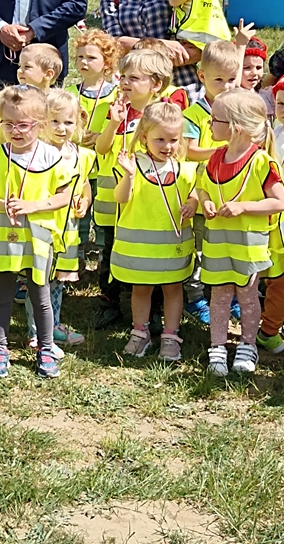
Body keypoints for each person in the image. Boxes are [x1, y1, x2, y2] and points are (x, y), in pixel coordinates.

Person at [0, 86, 73, 380]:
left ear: (41, 124)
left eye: (23, 125)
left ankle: (45, 348)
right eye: (8, 124)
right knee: (3, 295)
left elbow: (64, 196)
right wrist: (1, 204)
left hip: (38, 238)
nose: (15, 131)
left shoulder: (52, 157)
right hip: (3, 236)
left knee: (40, 296)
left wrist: (32, 206)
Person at [198, 89, 284, 376]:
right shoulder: (215, 157)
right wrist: (205, 201)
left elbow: (279, 202)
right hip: (218, 243)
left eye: (215, 119)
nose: (209, 124)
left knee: (248, 297)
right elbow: (202, 188)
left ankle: (248, 345)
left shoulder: (261, 162)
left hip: (248, 246)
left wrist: (243, 207)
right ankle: (217, 347)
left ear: (236, 127)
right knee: (219, 296)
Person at [112, 102, 198, 362]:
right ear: (144, 137)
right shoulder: (133, 164)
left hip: (172, 247)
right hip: (139, 249)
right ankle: (140, 332)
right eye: (159, 139)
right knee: (141, 289)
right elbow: (121, 198)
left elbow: (193, 193)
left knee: (173, 288)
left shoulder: (184, 168)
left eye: (173, 139)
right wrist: (128, 176)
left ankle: (171, 335)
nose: (167, 146)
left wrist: (192, 204)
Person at [93, 49, 173, 329]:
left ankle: (152, 311)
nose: (125, 82)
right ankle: (109, 302)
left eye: (134, 78)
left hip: (146, 200)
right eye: (124, 76)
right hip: (111, 196)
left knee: (149, 253)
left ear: (156, 84)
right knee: (110, 250)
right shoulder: (112, 109)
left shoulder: (162, 114)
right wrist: (114, 122)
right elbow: (101, 148)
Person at [25, 89, 90, 352]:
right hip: (43, 228)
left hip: (68, 231)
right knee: (39, 280)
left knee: (58, 281)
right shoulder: (36, 154)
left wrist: (85, 200)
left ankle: (54, 326)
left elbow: (84, 183)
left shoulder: (81, 154)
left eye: (68, 122)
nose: (61, 128)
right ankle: (36, 332)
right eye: (54, 121)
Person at [182, 40, 242, 325]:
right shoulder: (193, 114)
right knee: (199, 248)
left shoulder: (239, 112)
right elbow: (189, 150)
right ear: (201, 76)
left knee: (228, 248)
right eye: (219, 80)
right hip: (200, 193)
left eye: (231, 79)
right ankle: (195, 298)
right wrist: (223, 151)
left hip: (231, 194)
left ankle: (231, 298)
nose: (226, 86)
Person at [66, 30, 120, 262]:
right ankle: (75, 255)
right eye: (80, 57)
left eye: (91, 57)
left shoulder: (117, 95)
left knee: (102, 213)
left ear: (107, 63)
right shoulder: (69, 94)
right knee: (78, 210)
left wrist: (100, 136)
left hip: (105, 166)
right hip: (76, 166)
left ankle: (101, 254)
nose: (84, 62)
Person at [257, 74, 284, 355]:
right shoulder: (275, 131)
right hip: (277, 217)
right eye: (280, 103)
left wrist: (272, 191)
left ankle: (269, 330)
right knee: (277, 277)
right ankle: (269, 329)